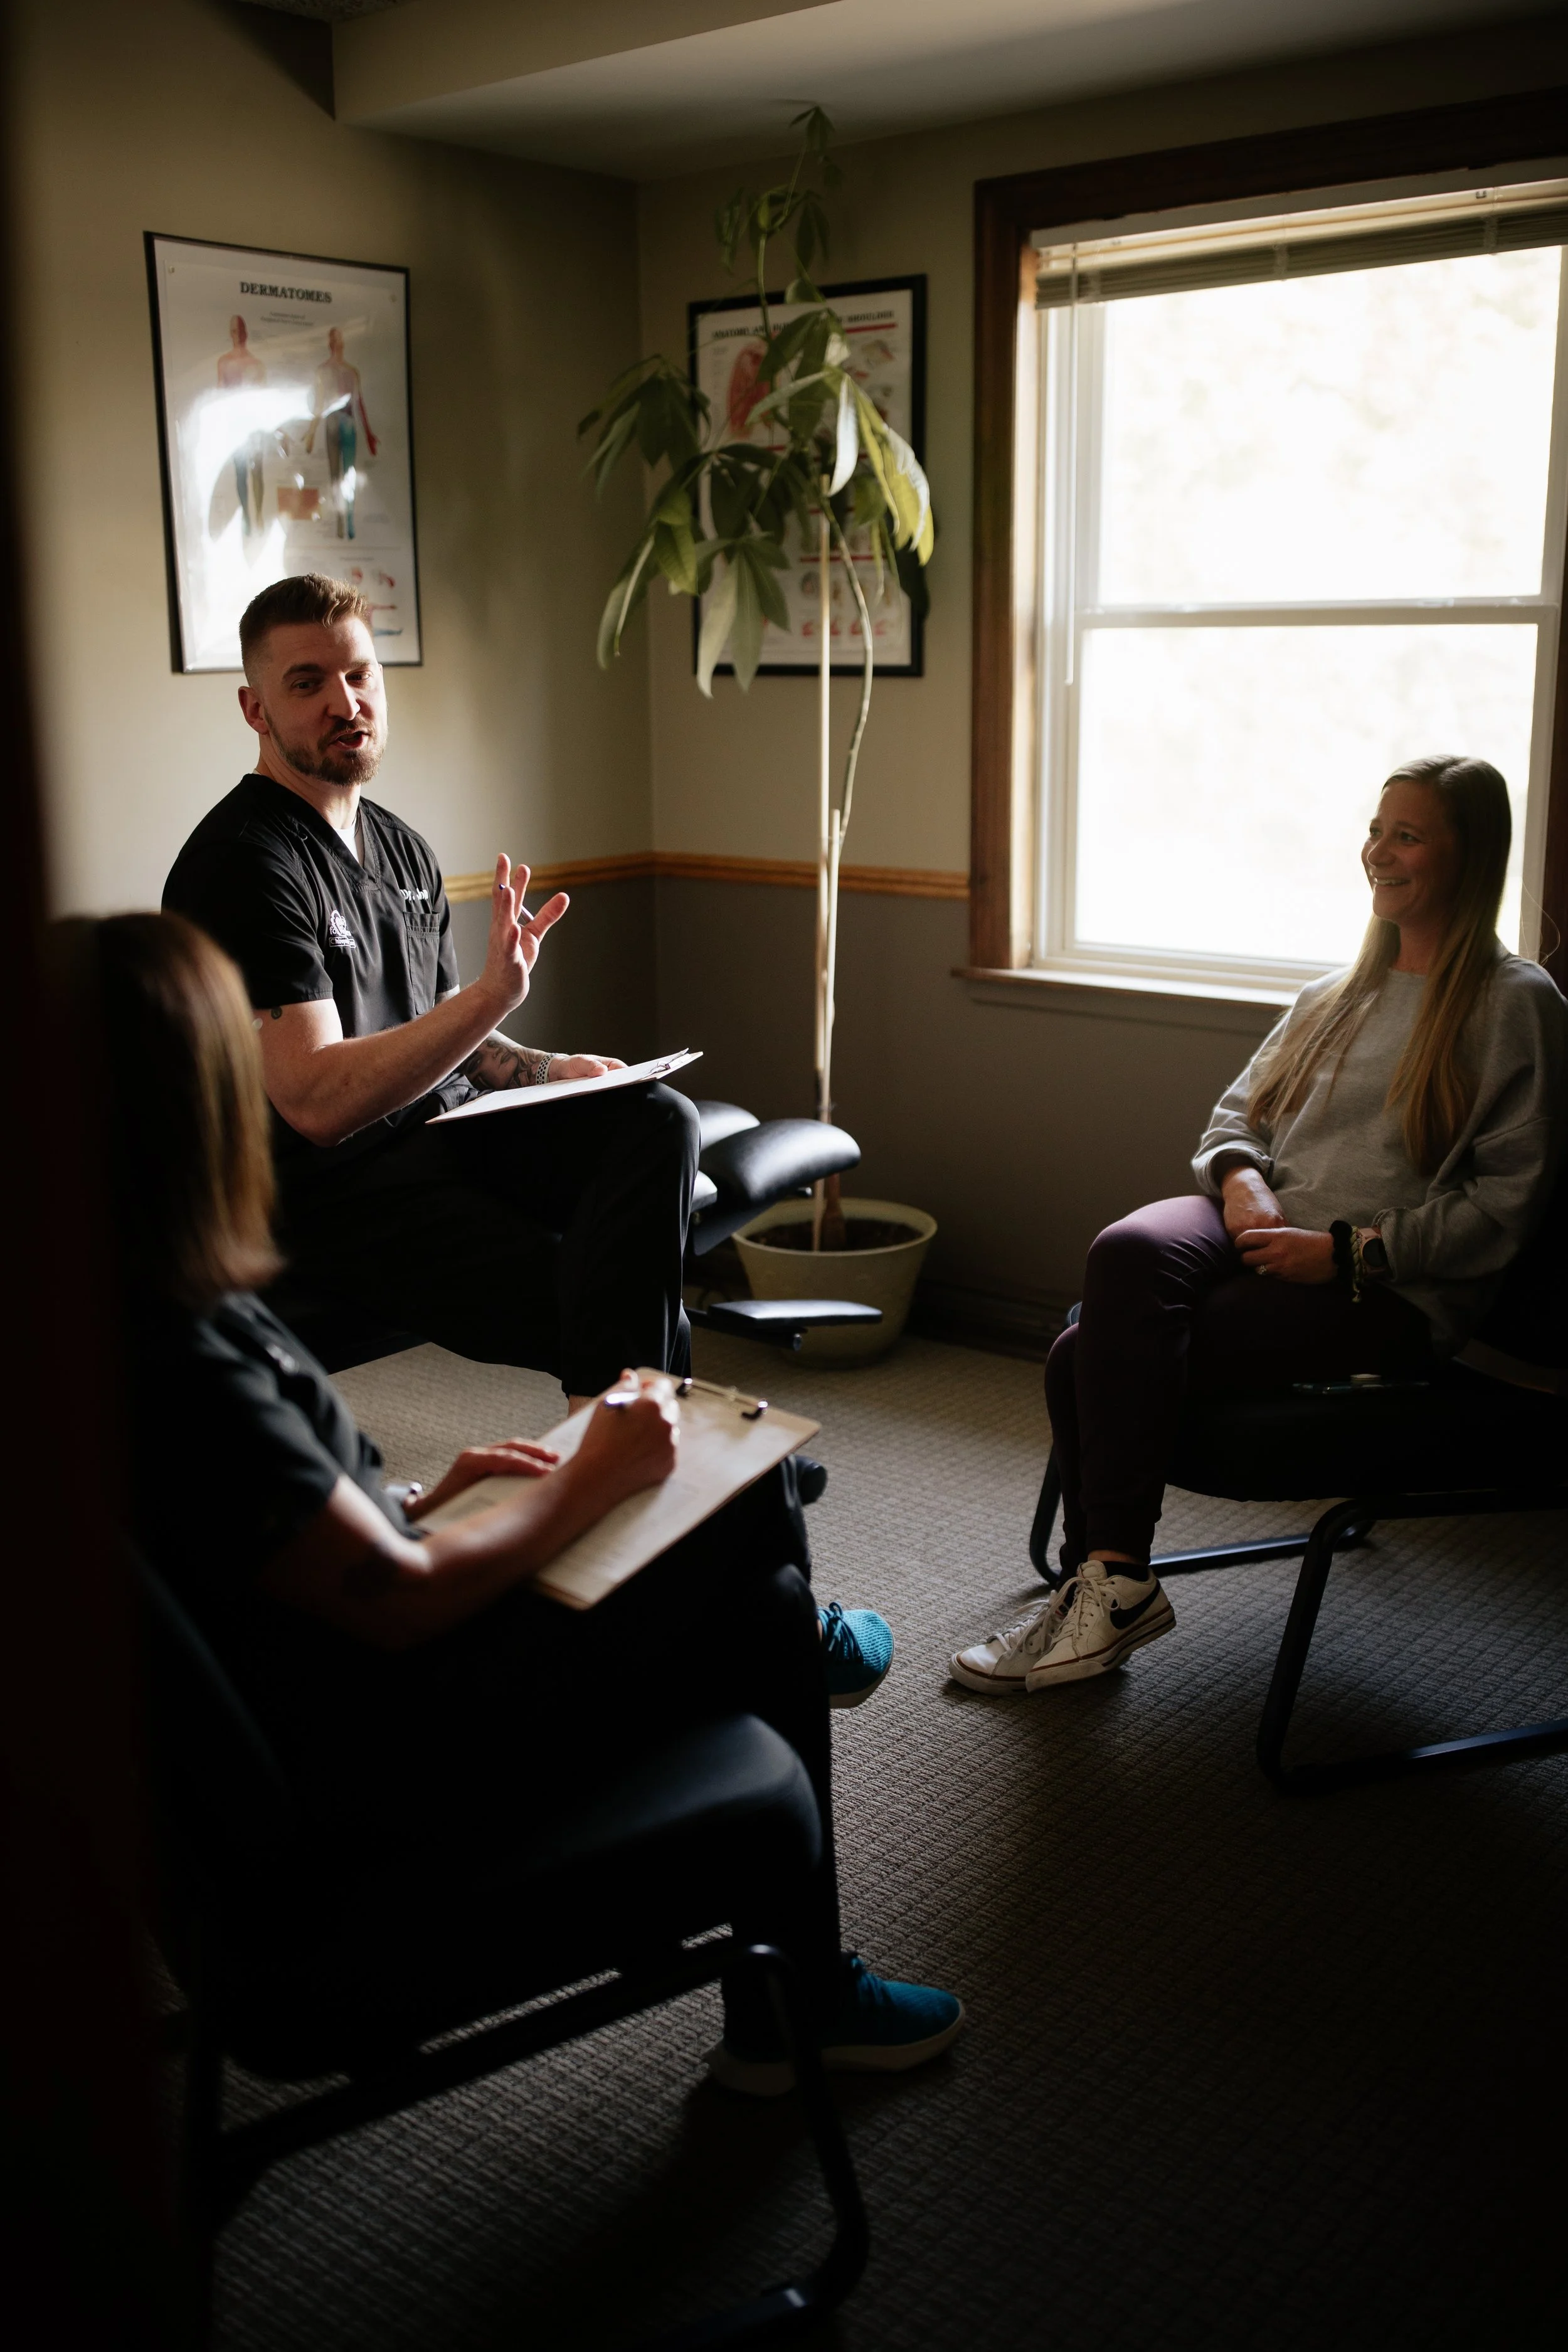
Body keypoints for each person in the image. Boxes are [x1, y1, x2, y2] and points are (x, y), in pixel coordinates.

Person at [80, 909, 961, 2090]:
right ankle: (794, 1994)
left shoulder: (121, 1302)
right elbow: (392, 1601)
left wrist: (422, 1490)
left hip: (331, 1677)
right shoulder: (185, 1358)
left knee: (745, 1571)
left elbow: (260, 1539)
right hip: (381, 1749)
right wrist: (587, 1481)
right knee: (745, 1523)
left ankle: (788, 1987)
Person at [953, 755, 1568, 1697]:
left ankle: (1104, 1582)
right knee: (1124, 1250)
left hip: (1387, 1287)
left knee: (1080, 1358)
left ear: (1470, 853)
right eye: (1376, 828)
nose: (1378, 851)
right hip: (1259, 1227)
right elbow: (1236, 1117)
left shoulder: (1513, 1003)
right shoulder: (1334, 991)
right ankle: (1110, 1587)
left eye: (1407, 834)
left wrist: (1349, 1251)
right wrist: (1240, 1180)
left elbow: (1506, 1203)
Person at [164, 570, 692, 1416]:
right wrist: (489, 998)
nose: (346, 702)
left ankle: (645, 1455)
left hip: (440, 1140)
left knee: (658, 1121)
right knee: (607, 1292)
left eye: (360, 674)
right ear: (254, 709)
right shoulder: (246, 864)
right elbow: (314, 1101)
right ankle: (665, 1465)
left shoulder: (402, 850)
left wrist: (556, 1069)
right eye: (307, 683)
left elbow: (450, 1038)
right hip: (328, 1196)